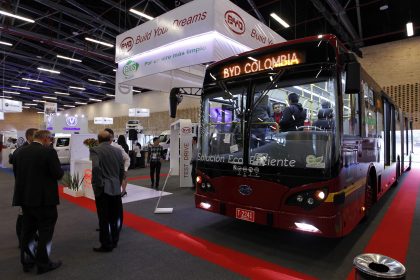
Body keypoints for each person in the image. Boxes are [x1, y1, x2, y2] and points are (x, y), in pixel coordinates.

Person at [12, 130, 64, 274]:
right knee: (45, 231)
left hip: (24, 198)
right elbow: (58, 174)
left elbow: (17, 174)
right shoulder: (48, 152)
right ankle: (43, 263)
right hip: (44, 200)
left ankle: (27, 262)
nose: (51, 141)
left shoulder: (19, 152)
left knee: (27, 231)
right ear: (46, 139)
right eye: (51, 139)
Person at [90, 130, 124, 253]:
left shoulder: (95, 150)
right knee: (115, 216)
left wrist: (99, 184)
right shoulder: (117, 151)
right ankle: (114, 241)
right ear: (110, 139)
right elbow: (121, 170)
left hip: (103, 189)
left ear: (98, 140)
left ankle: (106, 244)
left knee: (104, 218)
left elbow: (96, 168)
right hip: (115, 187)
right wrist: (118, 183)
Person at [9, 128, 38, 249]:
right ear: (30, 137)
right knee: (24, 217)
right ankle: (23, 240)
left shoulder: (20, 151)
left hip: (25, 189)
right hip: (27, 190)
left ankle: (25, 239)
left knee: (26, 216)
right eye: (37, 135)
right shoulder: (23, 151)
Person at [104, 128, 130, 197]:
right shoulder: (101, 147)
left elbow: (127, 158)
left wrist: (125, 169)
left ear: (111, 136)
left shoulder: (117, 147)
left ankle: (123, 191)